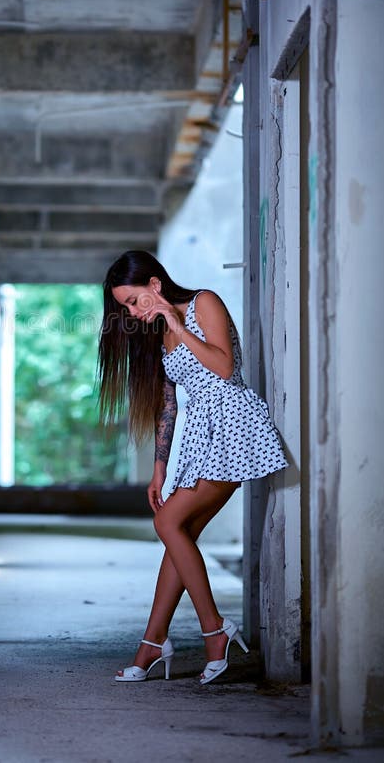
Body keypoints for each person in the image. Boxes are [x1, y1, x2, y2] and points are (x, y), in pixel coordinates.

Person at [98, 250, 287, 684]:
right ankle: (151, 644)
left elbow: (225, 367)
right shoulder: (156, 336)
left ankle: (214, 629)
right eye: (125, 307)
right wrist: (159, 468)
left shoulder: (204, 303)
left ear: (155, 286)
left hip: (234, 428)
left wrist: (179, 326)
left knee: (169, 524)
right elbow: (168, 406)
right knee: (176, 534)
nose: (132, 311)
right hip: (199, 439)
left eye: (133, 300)